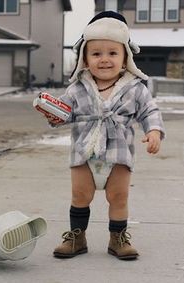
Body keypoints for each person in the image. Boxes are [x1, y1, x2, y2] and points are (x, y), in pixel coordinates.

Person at [44, 11, 165, 260]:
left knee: (118, 196)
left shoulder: (135, 88)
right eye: (96, 53)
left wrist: (153, 130)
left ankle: (117, 239)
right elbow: (64, 113)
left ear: (125, 57)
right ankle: (77, 237)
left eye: (112, 53)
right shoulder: (77, 88)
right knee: (80, 194)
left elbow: (149, 110)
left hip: (119, 153)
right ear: (85, 59)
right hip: (84, 152)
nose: (105, 59)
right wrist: (54, 114)